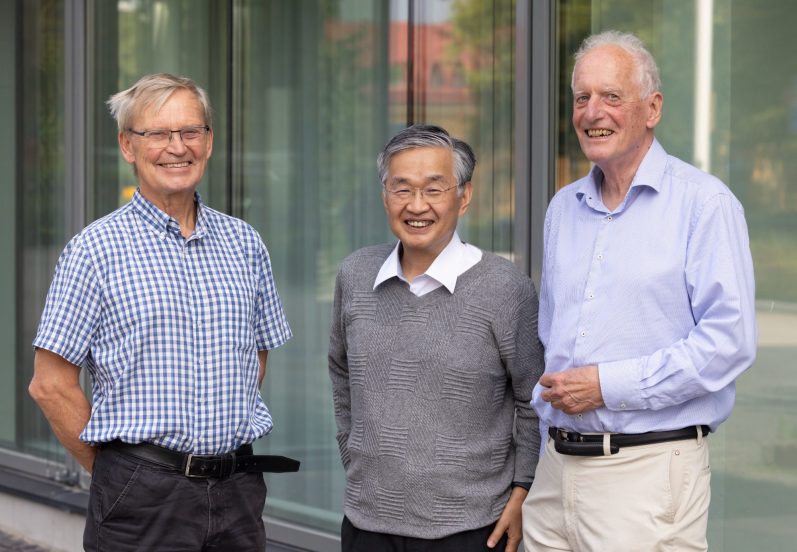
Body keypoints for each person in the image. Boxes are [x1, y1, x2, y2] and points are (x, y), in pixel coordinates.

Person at [28, 73, 297, 551]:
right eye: (157, 134)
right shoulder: (95, 250)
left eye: (191, 131)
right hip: (141, 495)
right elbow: (50, 385)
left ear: (209, 142)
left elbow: (254, 358)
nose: (178, 147)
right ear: (128, 146)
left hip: (237, 490)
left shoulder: (245, 244)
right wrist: (120, 470)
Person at [521, 31, 757, 551]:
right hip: (556, 472)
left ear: (652, 109)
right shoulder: (563, 208)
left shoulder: (705, 205)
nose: (591, 111)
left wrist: (609, 386)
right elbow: (552, 338)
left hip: (646, 478)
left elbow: (728, 344)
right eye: (581, 97)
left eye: (611, 96)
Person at [328, 124, 544, 552]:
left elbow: (534, 398)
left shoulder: (504, 288)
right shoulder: (355, 275)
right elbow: (340, 370)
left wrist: (523, 488)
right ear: (384, 196)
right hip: (367, 523)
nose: (417, 205)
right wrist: (355, 456)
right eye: (401, 189)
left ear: (464, 196)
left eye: (434, 189)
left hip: (473, 529)